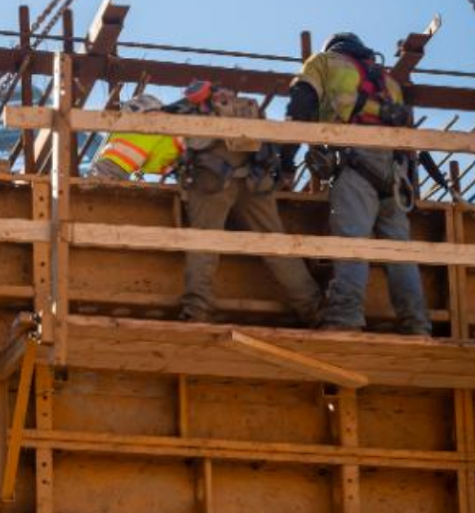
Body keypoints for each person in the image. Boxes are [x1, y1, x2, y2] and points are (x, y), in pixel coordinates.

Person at [91, 81, 323, 326]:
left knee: (203, 242)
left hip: (213, 178)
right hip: (255, 178)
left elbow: (105, 174)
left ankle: (197, 311)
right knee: (277, 245)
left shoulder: (147, 125)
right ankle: (315, 309)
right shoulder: (212, 114)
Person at [285, 31, 430, 335]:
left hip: (356, 164)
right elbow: (406, 136)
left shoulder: (324, 62)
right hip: (395, 174)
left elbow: (301, 105)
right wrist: (411, 186)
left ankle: (345, 318)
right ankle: (417, 325)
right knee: (400, 253)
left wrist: (285, 161)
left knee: (352, 243)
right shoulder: (387, 80)